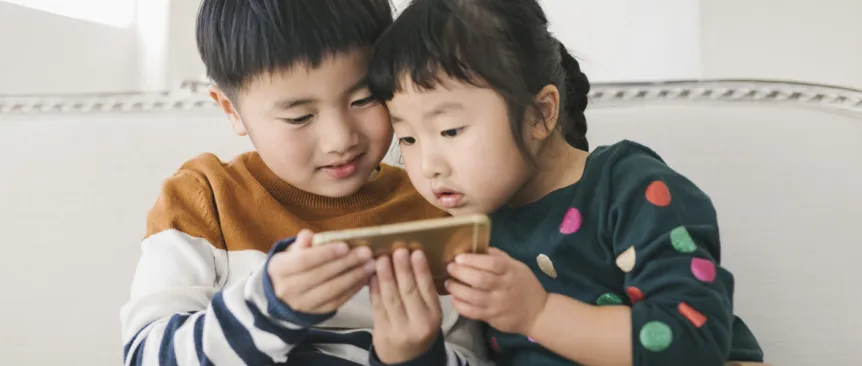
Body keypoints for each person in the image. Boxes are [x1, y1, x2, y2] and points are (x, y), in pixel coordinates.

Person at [367, 0, 765, 365]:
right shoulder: (469, 226)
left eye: (451, 130)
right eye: (408, 139)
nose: (429, 166)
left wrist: (538, 314)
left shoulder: (630, 189)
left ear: (540, 115)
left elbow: (694, 338)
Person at [119, 1, 488, 365]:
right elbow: (146, 356)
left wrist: (416, 356)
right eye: (299, 117)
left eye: (364, 99)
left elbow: (476, 356)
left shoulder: (437, 207)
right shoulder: (203, 200)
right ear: (232, 111)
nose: (340, 139)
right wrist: (268, 306)